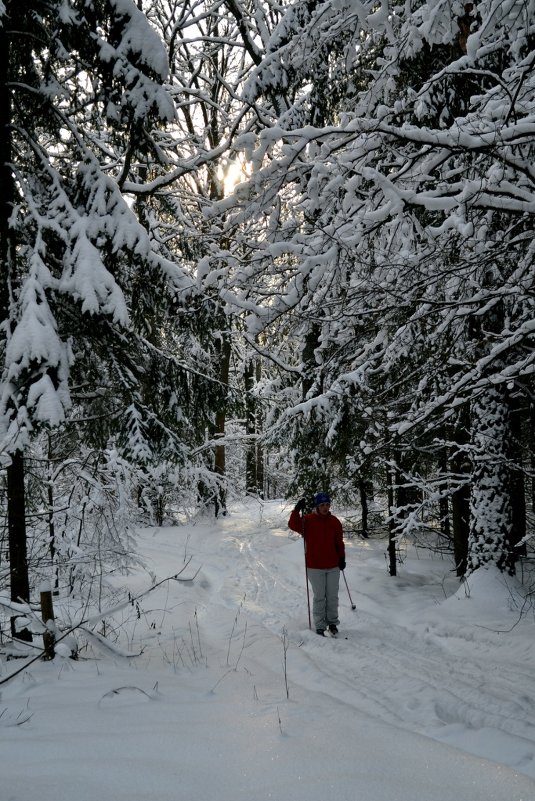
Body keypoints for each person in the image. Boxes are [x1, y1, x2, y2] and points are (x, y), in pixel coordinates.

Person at [288, 492, 346, 636]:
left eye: (327, 504)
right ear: (317, 506)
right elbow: (293, 525)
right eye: (322, 505)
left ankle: (332, 622)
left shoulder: (335, 522)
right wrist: (296, 510)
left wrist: (342, 558)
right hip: (315, 566)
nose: (325, 507)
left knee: (332, 596)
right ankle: (320, 624)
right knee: (320, 596)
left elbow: (339, 542)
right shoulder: (308, 520)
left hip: (333, 565)